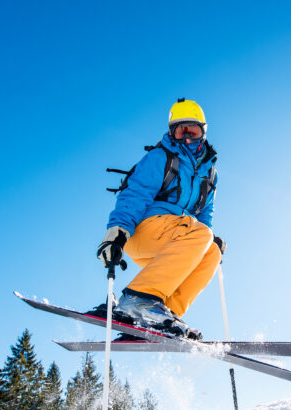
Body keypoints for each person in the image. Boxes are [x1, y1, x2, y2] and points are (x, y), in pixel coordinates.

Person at [92, 98, 225, 339]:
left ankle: (162, 313)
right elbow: (136, 193)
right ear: (171, 132)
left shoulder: (210, 173)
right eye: (179, 131)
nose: (186, 138)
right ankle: (139, 299)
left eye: (191, 131)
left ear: (203, 133)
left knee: (212, 251)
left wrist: (208, 241)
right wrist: (117, 232)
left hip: (177, 237)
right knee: (201, 234)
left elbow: (205, 213)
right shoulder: (161, 157)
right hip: (143, 230)